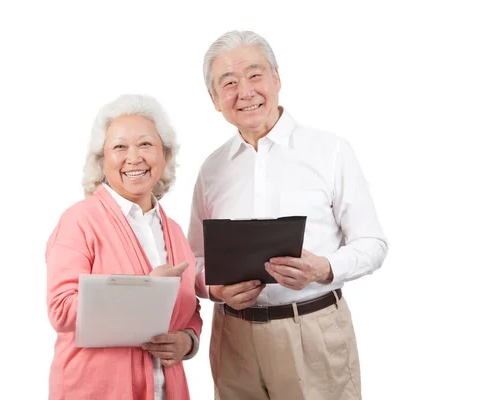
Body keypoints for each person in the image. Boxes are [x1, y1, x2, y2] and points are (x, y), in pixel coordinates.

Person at [189, 31, 388, 400]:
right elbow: (195, 260)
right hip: (234, 340)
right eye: (228, 83)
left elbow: (373, 244)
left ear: (277, 78)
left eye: (255, 75)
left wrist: (324, 268)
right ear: (215, 99)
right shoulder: (212, 169)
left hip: (312, 332)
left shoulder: (330, 151)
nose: (245, 91)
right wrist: (213, 288)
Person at [46, 94, 202, 400]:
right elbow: (61, 310)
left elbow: (189, 309)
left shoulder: (172, 231)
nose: (134, 157)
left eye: (145, 144)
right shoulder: (79, 220)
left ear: (164, 154)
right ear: (102, 160)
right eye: (119, 147)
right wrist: (144, 292)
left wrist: (187, 341)